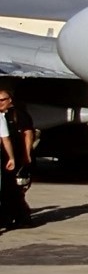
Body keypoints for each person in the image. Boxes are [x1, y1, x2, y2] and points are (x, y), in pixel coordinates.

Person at [0, 89, 35, 228]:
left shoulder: (18, 114)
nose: (0, 103)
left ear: (10, 100)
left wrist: (26, 154)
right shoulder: (2, 116)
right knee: (6, 190)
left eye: (2, 100)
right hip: (5, 157)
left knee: (14, 190)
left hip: (17, 156)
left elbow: (28, 133)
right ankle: (8, 217)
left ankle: (23, 217)